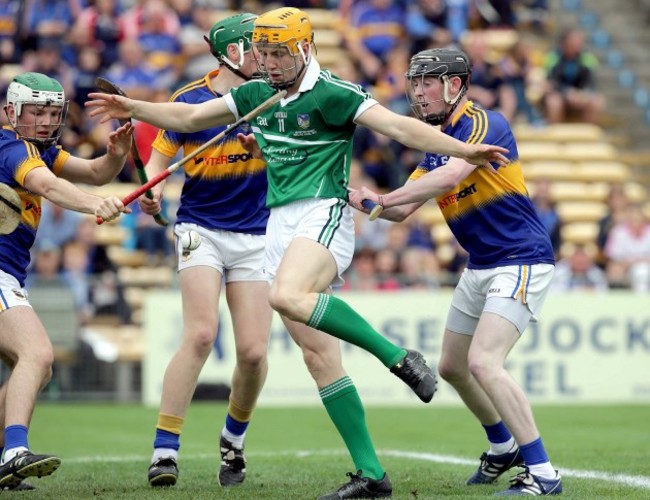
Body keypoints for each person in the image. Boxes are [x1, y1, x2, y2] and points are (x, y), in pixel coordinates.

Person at [86, 8, 508, 498]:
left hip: (323, 213)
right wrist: (133, 107)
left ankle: (395, 355)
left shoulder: (335, 93)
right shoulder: (257, 93)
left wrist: (464, 152)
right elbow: (189, 116)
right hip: (279, 224)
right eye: (262, 53)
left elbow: (399, 128)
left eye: (277, 53)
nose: (267, 63)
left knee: (285, 295)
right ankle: (372, 475)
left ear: (305, 49)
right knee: (318, 356)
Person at [349, 47, 562, 496]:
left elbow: (447, 180)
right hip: (481, 263)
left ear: (455, 85)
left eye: (429, 81)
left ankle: (543, 473)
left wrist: (385, 198)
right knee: (451, 366)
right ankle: (503, 446)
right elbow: (401, 212)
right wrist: (357, 196)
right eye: (416, 82)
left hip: (520, 257)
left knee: (484, 361)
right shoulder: (434, 144)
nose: (419, 91)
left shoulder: (485, 124)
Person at [139, 13, 274, 489]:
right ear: (232, 52)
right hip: (202, 228)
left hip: (258, 232)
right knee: (200, 335)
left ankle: (233, 440)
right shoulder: (188, 100)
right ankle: (164, 450)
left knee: (255, 353)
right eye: (257, 47)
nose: (266, 55)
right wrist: (153, 188)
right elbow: (160, 156)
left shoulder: (275, 96)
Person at [0, 72, 130, 490]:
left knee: (38, 368)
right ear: (10, 112)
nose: (44, 120)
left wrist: (117, 155)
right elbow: (48, 186)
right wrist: (96, 206)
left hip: (9, 276)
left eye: (52, 113)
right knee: (36, 355)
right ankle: (14, 452)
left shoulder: (40, 150)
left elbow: (93, 172)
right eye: (35, 111)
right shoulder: (10, 147)